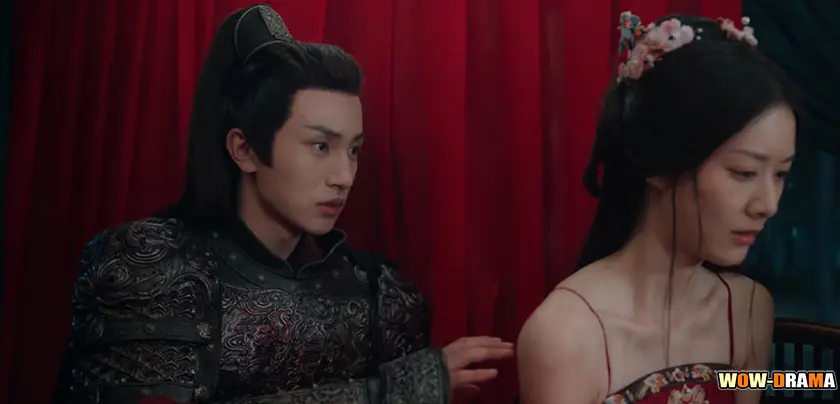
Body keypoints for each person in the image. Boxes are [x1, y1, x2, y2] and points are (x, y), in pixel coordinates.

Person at [53, 4, 512, 404]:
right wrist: (391, 392)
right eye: (320, 146)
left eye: (354, 149)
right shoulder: (151, 267)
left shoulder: (379, 293)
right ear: (244, 149)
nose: (344, 176)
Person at [517, 12, 796, 404]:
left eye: (781, 174)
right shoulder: (567, 334)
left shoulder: (747, 308)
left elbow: (767, 386)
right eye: (744, 172)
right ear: (659, 165)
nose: (768, 204)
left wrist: (816, 382)